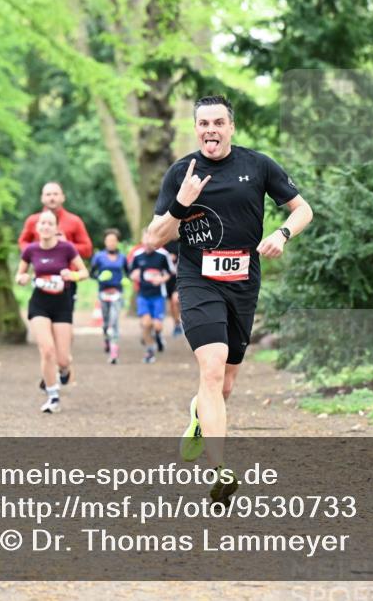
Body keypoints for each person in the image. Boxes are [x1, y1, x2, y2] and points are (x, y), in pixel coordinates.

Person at [146, 95, 313, 503]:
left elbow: (302, 209)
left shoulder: (257, 165)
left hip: (243, 282)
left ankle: (199, 414)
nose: (210, 131)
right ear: (196, 128)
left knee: (224, 384)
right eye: (203, 124)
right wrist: (181, 202)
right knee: (212, 366)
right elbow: (153, 239)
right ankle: (220, 470)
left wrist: (282, 234)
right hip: (198, 281)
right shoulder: (180, 173)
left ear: (231, 127)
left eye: (218, 123)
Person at [18, 182, 92, 386]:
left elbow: (87, 248)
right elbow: (22, 243)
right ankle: (48, 370)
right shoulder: (34, 220)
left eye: (55, 194)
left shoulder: (74, 221)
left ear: (62, 197)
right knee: (45, 337)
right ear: (42, 198)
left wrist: (64, 245)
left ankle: (64, 362)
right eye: (47, 194)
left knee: (62, 329)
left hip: (67, 281)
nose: (51, 197)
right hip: (41, 280)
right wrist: (39, 249)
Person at [129, 231, 172, 364]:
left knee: (157, 326)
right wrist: (134, 275)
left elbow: (170, 272)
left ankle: (157, 336)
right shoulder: (137, 256)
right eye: (145, 239)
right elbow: (131, 272)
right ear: (142, 240)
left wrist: (162, 279)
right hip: (143, 295)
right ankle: (150, 350)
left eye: (150, 239)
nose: (148, 242)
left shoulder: (163, 255)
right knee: (146, 323)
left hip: (158, 295)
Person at [90, 229, 128, 364]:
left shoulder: (122, 257)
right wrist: (99, 277)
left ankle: (113, 353)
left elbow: (127, 273)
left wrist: (126, 280)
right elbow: (91, 274)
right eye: (109, 240)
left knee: (114, 321)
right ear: (105, 242)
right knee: (106, 323)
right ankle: (107, 339)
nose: (111, 243)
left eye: (114, 240)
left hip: (117, 293)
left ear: (117, 242)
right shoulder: (99, 256)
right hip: (103, 292)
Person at [163, 238, 183, 337]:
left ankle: (184, 322)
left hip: (181, 277)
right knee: (172, 303)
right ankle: (177, 324)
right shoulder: (165, 241)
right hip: (167, 278)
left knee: (175, 300)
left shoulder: (186, 238)